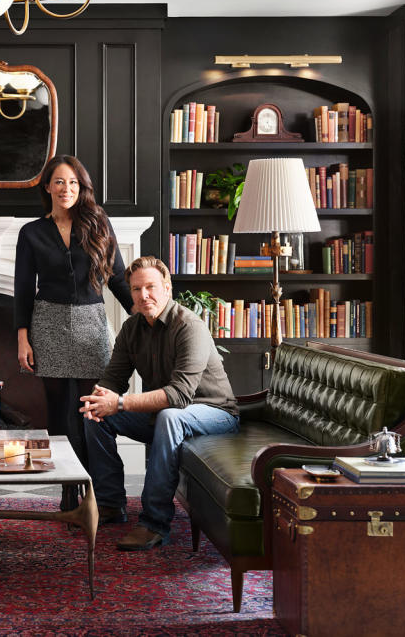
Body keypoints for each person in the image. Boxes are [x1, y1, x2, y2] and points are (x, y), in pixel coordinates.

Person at [79, 256, 239, 550]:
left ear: (167, 287)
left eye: (151, 287)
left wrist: (121, 403)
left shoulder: (190, 327)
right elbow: (114, 379)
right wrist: (98, 398)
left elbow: (179, 396)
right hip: (167, 414)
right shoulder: (132, 328)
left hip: (215, 413)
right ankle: (110, 504)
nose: (143, 295)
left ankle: (154, 523)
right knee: (96, 414)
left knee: (169, 416)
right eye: (136, 289)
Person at [14, 155, 135, 509]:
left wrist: (144, 316)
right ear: (47, 187)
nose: (66, 189)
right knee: (58, 416)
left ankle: (103, 496)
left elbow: (117, 278)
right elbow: (23, 288)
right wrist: (23, 338)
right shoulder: (31, 232)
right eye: (59, 182)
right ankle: (70, 495)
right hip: (47, 326)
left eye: (73, 183)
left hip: (91, 327)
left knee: (92, 413)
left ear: (82, 188)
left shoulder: (99, 224)